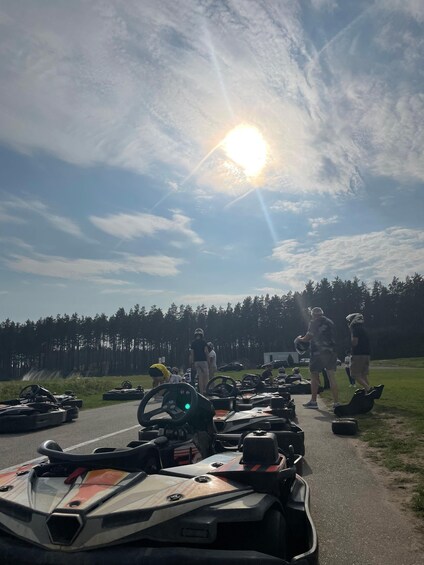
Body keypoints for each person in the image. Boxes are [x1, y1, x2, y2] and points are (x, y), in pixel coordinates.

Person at [296, 306, 340, 410]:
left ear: (313, 315)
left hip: (317, 353)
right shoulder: (330, 322)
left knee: (314, 376)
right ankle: (336, 403)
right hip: (331, 352)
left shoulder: (314, 322)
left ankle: (313, 401)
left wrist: (300, 339)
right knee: (331, 377)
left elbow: (308, 337)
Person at [346, 313, 372, 392]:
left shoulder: (355, 329)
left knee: (355, 374)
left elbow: (354, 342)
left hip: (358, 354)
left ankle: (368, 389)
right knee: (363, 375)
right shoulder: (363, 328)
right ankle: (368, 393)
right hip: (366, 354)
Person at [189, 328, 209, 394]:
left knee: (200, 377)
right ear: (202, 334)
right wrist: (208, 360)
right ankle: (206, 390)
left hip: (196, 362)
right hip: (203, 361)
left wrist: (192, 362)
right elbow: (206, 351)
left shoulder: (193, 343)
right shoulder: (204, 342)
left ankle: (201, 392)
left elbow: (192, 354)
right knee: (206, 376)